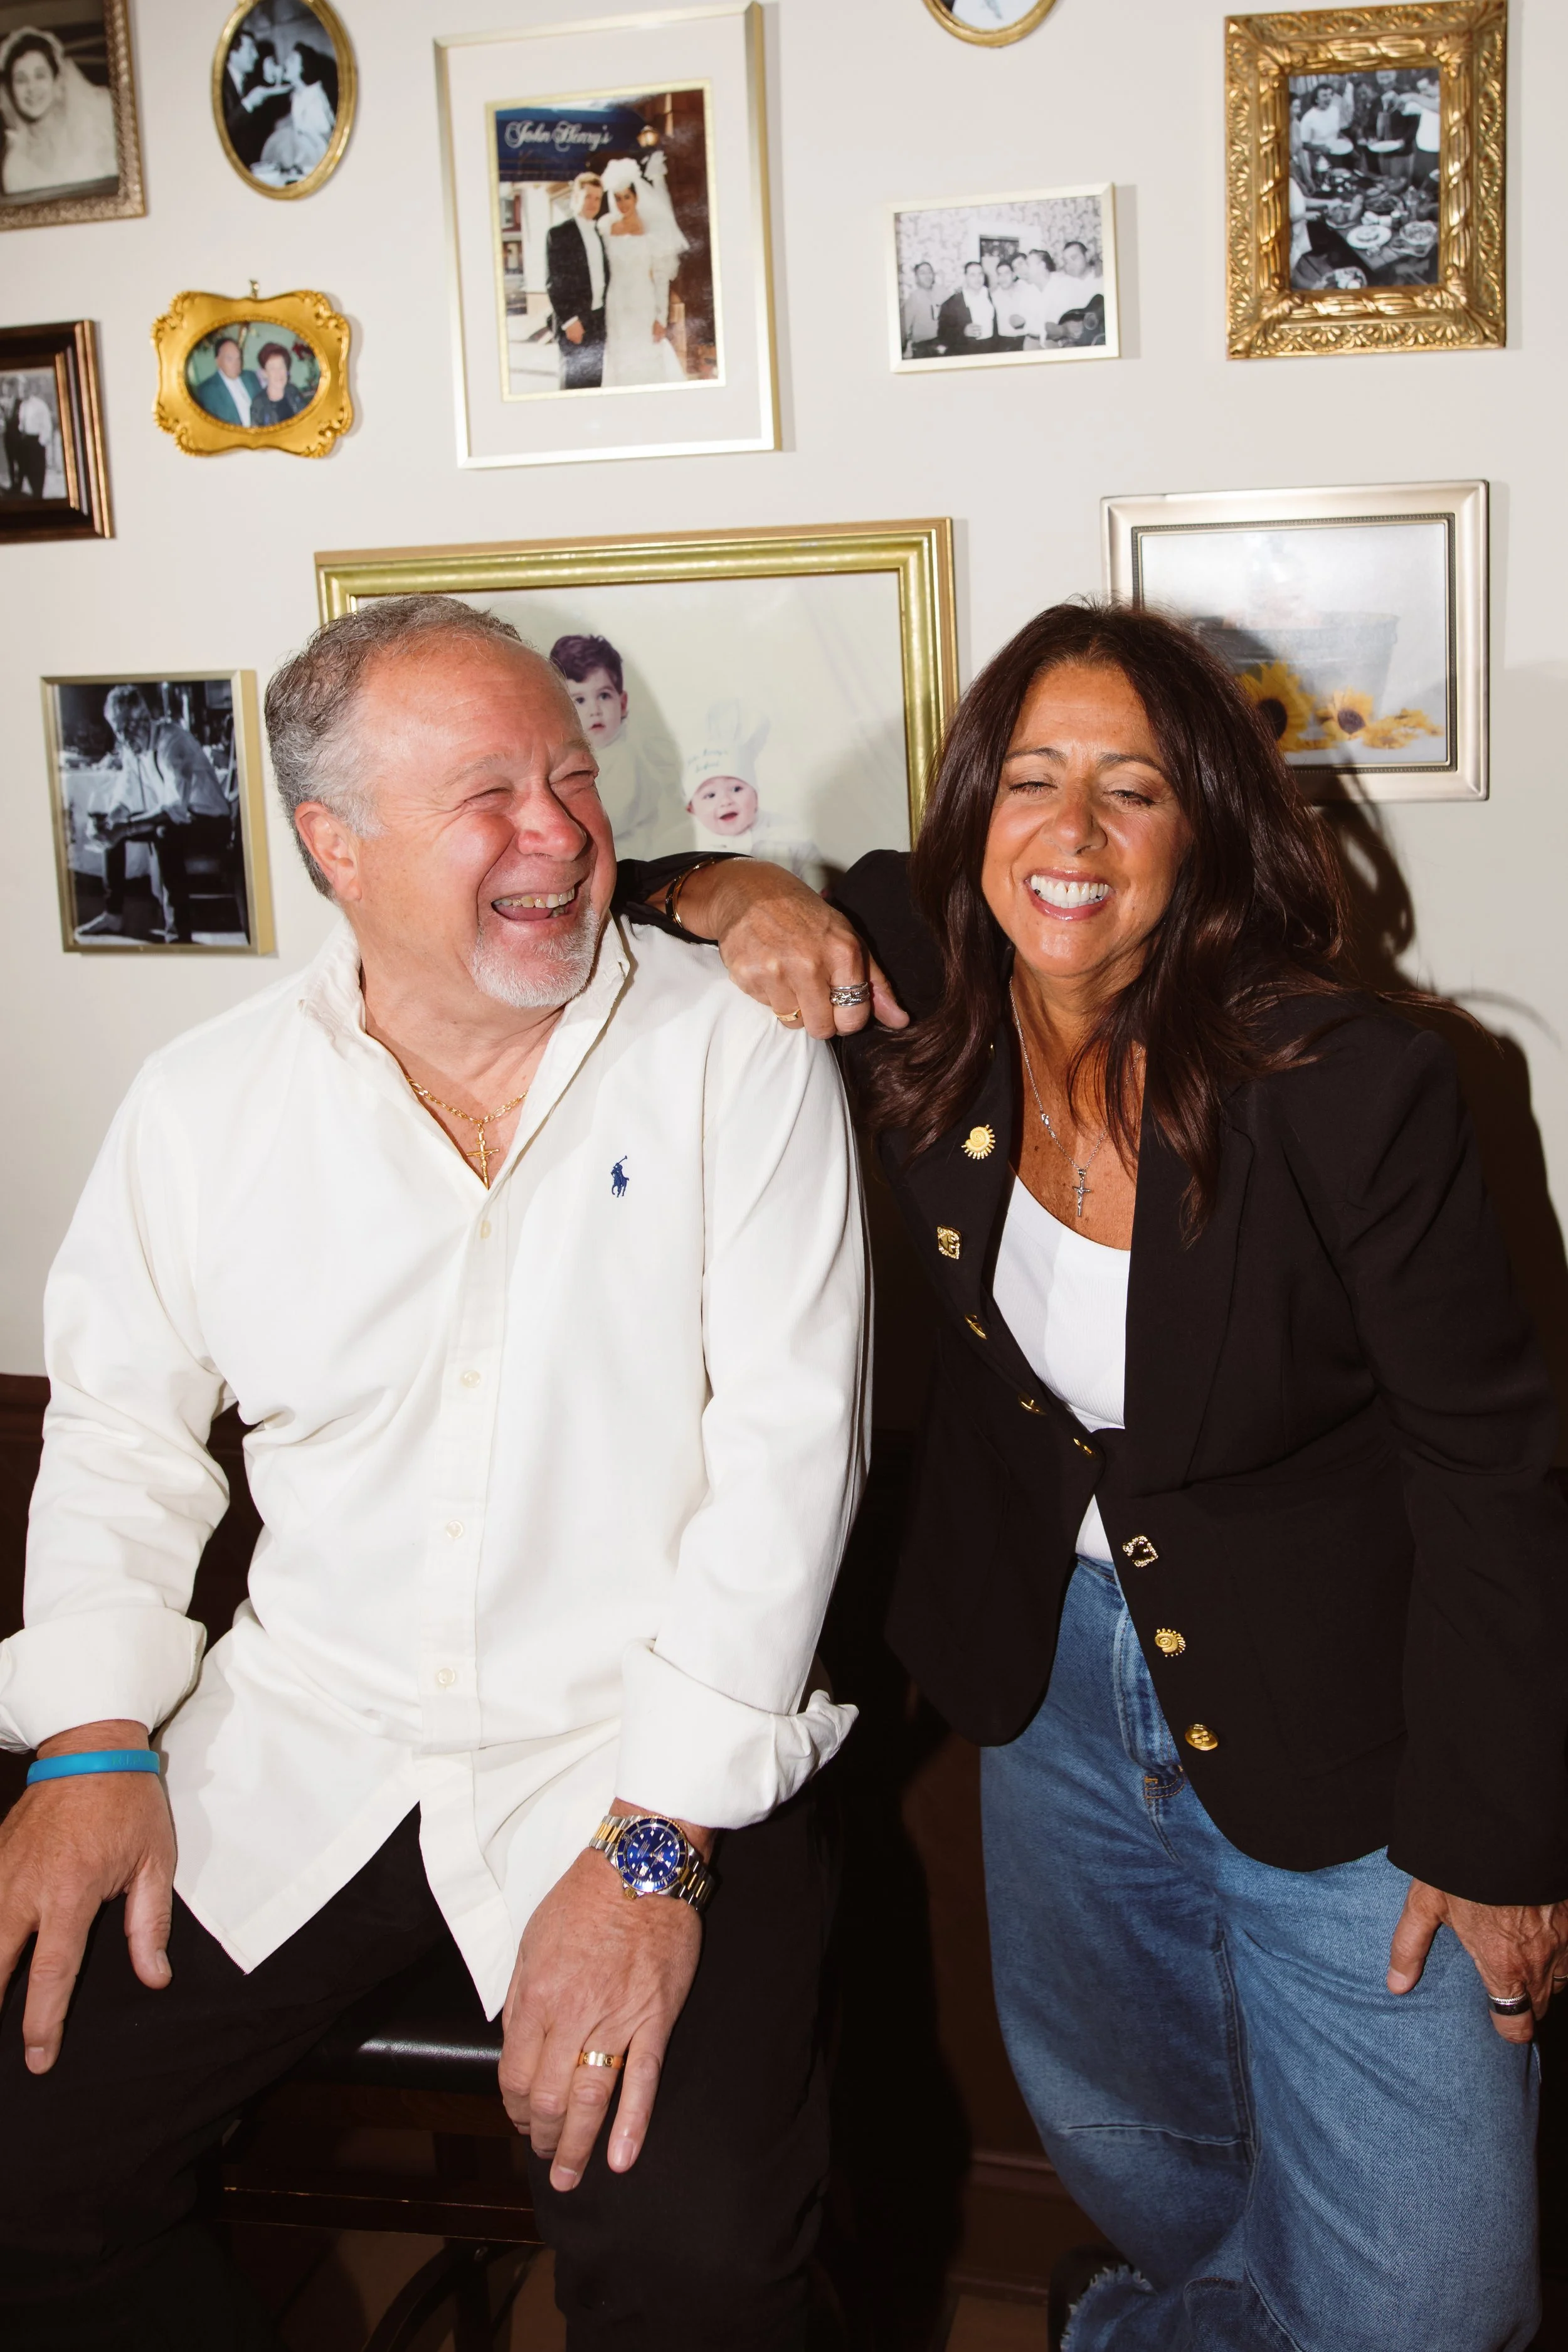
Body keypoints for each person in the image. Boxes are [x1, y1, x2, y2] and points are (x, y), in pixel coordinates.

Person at [638, 598, 1568, 2352]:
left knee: (1430, 2303)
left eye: (1130, 788)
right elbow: (611, 891)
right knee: (1142, 2157)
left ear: (1204, 828)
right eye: (1032, 779)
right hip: (1047, 1682)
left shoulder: (1355, 1084)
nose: (1069, 832)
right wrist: (743, 890)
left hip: (1351, 1713)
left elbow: (1490, 1458)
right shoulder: (916, 971)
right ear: (976, 808)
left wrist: (1500, 1834)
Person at [0, 595, 866, 2352]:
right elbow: (116, 1432)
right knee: (23, 2170)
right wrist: (90, 1735)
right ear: (336, 843)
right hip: (305, 1736)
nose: (559, 828)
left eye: (571, 775)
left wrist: (648, 1854)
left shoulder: (738, 1051)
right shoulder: (203, 1103)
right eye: (488, 794)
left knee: (700, 2265)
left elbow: (789, 1464)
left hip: (645, 1753)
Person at [75, 686, 235, 945]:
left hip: (212, 823)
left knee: (165, 833)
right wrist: (112, 821)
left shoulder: (173, 741)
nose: (124, 737)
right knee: (114, 829)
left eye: (128, 728)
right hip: (180, 818)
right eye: (118, 730)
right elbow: (125, 793)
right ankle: (113, 914)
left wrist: (125, 827)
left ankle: (178, 937)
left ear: (144, 718)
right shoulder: (132, 748)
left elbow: (174, 807)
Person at [549, 630, 680, 856]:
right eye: (580, 700)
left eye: (604, 696)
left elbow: (611, 820)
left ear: (623, 703)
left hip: (632, 861)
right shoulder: (574, 757)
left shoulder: (626, 759)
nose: (595, 710)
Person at [683, 704, 825, 889]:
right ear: (691, 809)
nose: (725, 801)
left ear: (756, 795)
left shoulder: (787, 834)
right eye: (710, 795)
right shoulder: (691, 852)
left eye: (736, 789)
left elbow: (816, 870)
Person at [598, 153, 689, 388]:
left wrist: (661, 317)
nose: (622, 204)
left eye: (627, 197)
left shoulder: (653, 232)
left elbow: (661, 279)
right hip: (617, 303)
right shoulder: (607, 227)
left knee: (647, 356)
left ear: (637, 197)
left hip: (644, 303)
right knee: (621, 358)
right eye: (618, 198)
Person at [0, 25, 117, 196]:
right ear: (11, 91)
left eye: (40, 76)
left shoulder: (97, 122)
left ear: (57, 80)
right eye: (21, 80)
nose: (31, 88)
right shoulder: (15, 167)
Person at [546, 171, 610, 390]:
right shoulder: (559, 234)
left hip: (598, 322)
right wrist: (570, 321)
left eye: (597, 198)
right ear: (576, 198)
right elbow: (554, 282)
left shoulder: (601, 233)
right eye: (588, 196)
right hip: (574, 323)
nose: (593, 203)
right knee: (573, 387)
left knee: (594, 386)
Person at [257, 41, 334, 184]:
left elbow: (326, 140)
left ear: (303, 69)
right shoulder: (298, 93)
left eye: (292, 60)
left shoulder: (315, 99)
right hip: (302, 165)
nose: (286, 62)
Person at [194, 335, 262, 428]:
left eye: (238, 359)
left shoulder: (251, 376)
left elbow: (264, 407)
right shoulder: (207, 391)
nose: (236, 364)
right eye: (230, 359)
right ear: (218, 362)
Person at [936, 258, 997, 355]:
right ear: (965, 277)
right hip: (967, 351)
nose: (978, 278)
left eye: (980, 274)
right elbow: (942, 334)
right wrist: (963, 332)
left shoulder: (991, 295)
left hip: (991, 350)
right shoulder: (952, 303)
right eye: (973, 275)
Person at [10, 378, 53, 497]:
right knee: (26, 470)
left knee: (37, 473)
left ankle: (39, 496)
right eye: (21, 390)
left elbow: (47, 425)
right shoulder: (23, 405)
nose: (22, 392)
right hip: (25, 441)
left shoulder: (40, 405)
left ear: (30, 389)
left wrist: (41, 442)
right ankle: (33, 495)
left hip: (36, 442)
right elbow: (21, 424)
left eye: (25, 390)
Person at [250, 341, 308, 426]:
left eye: (281, 366)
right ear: (264, 373)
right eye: (273, 368)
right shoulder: (258, 405)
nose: (279, 373)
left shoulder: (293, 390)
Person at [901, 259, 942, 358]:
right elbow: (904, 328)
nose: (927, 276)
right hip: (922, 346)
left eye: (930, 272)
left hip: (942, 343)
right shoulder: (914, 298)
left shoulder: (942, 292)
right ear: (917, 278)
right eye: (923, 273)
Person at [990, 259, 1028, 351]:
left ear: (1014, 275)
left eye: (1007, 273)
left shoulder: (1024, 291)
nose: (1003, 278)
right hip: (1004, 343)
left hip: (1026, 340)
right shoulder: (992, 297)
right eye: (1000, 274)